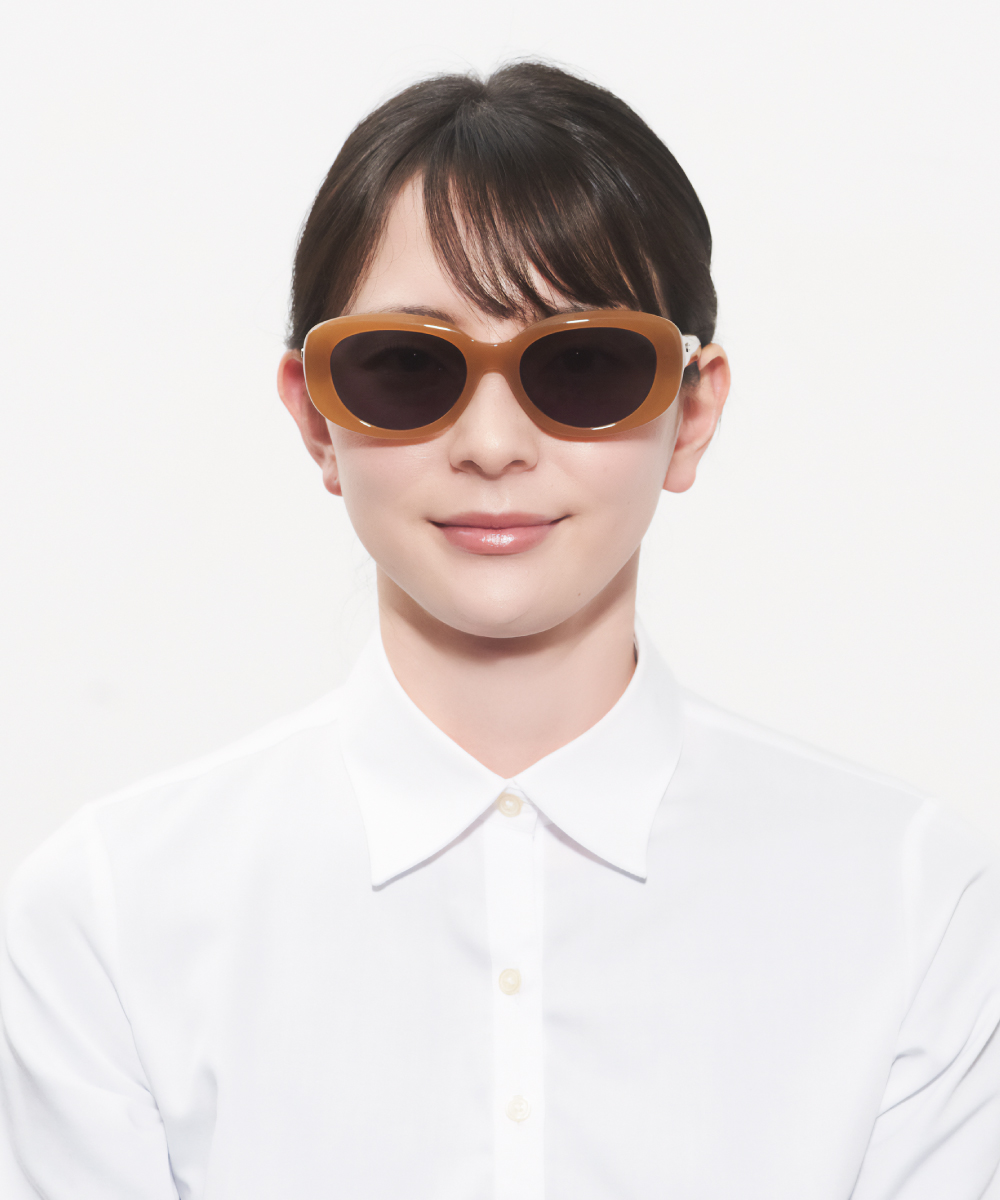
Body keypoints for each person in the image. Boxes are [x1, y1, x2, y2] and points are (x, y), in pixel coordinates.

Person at [2, 61, 999, 1200]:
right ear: (315, 418)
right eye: (406, 367)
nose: (491, 445)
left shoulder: (908, 902)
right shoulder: (113, 914)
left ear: (692, 413)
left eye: (581, 365)